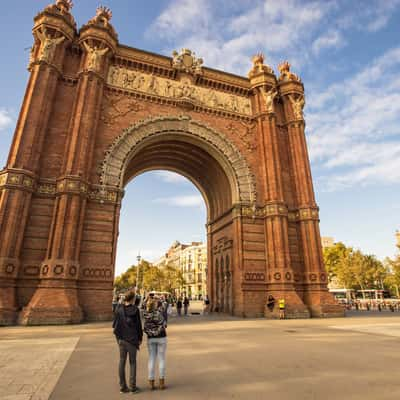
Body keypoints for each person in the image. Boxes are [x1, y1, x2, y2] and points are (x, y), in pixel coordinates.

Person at [113, 290, 143, 394]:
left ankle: (123, 387)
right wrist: (140, 338)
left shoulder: (119, 308)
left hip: (121, 338)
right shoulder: (135, 310)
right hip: (132, 340)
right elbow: (138, 327)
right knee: (133, 363)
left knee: (122, 361)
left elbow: (115, 324)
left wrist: (118, 338)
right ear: (133, 299)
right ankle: (132, 387)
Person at [143, 297, 168, 390]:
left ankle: (151, 383)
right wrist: (160, 299)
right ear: (156, 306)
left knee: (151, 359)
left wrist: (146, 299)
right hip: (161, 337)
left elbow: (142, 305)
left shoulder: (146, 314)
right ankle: (161, 382)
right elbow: (164, 324)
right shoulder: (159, 314)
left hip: (151, 338)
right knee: (161, 359)